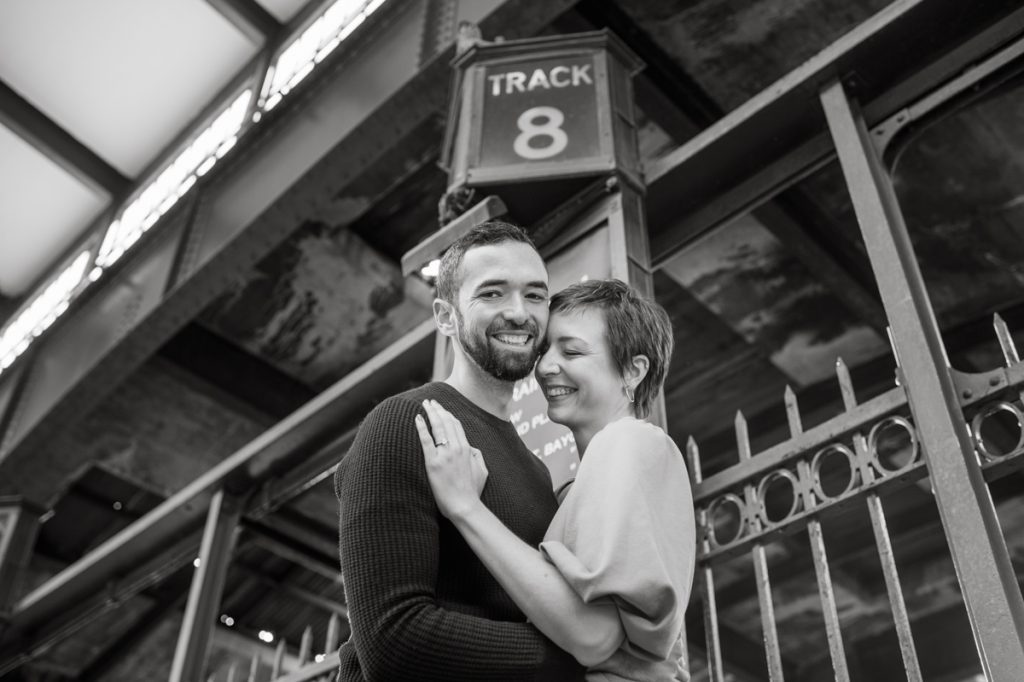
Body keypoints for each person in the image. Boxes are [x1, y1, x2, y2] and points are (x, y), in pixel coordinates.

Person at [334, 221, 585, 681]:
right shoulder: (405, 423)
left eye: (535, 295)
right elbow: (393, 642)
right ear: (446, 317)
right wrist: (581, 657)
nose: (519, 313)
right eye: (492, 293)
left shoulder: (535, 469)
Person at [416, 278, 696, 681]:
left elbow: (591, 637)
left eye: (572, 350)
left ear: (634, 371)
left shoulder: (629, 440)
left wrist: (465, 508)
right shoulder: (580, 482)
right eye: (546, 348)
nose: (545, 366)